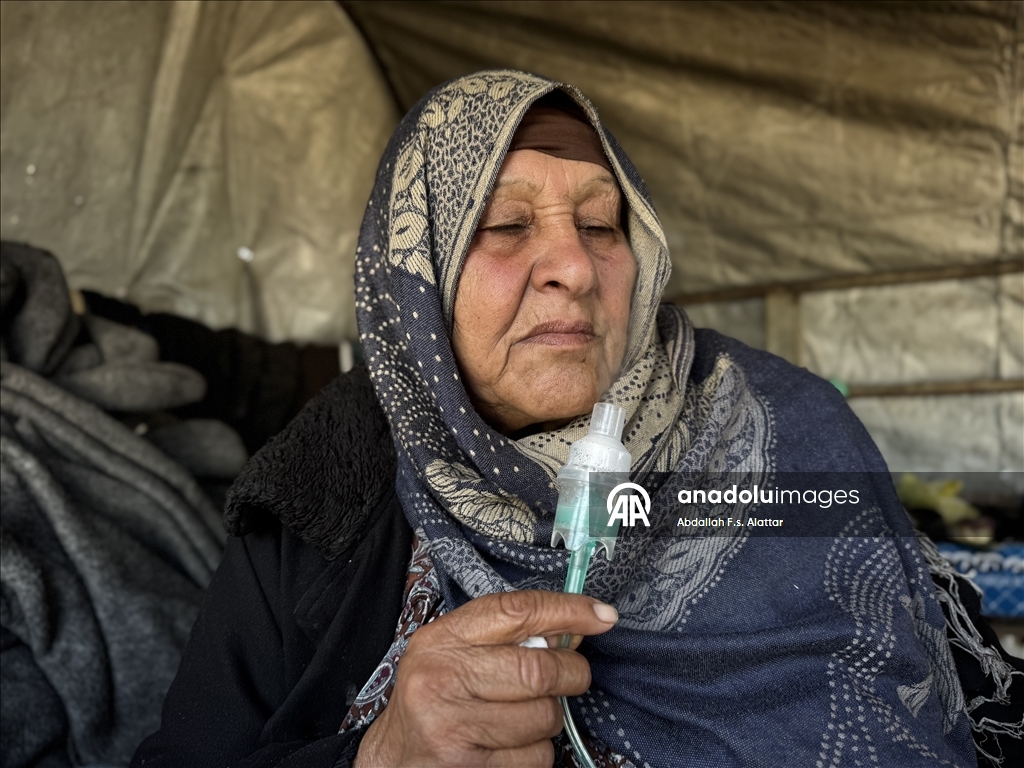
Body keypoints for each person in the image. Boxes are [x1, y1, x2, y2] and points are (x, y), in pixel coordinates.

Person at [133, 70, 997, 768]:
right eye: (505, 224)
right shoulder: (319, 491)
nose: (575, 269)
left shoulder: (784, 432)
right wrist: (377, 756)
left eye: (601, 223)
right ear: (415, 280)